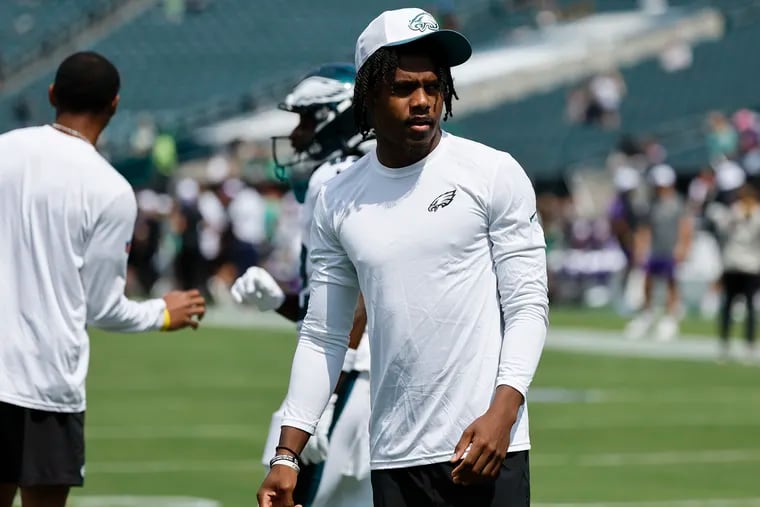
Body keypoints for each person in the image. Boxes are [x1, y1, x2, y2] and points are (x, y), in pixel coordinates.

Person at [256, 8, 548, 507]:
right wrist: (287, 453)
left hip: (488, 448)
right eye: (404, 87)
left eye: (434, 86)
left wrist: (503, 414)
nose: (423, 101)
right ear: (368, 94)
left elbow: (527, 306)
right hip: (392, 457)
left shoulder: (493, 172)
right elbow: (325, 333)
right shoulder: (338, 197)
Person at [0, 52, 206, 507]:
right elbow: (102, 307)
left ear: (51, 94)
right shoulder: (110, 189)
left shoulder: (4, 148)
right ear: (114, 106)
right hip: (46, 383)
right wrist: (164, 313)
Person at [231, 63, 374, 507]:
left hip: (352, 379)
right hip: (357, 375)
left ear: (340, 117)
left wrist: (322, 403)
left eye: (307, 120)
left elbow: (362, 298)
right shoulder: (356, 174)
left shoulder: (338, 180)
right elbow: (334, 303)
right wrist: (282, 301)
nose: (296, 135)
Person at [626, 164, 692, 341]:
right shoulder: (650, 203)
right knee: (648, 282)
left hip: (670, 248)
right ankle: (647, 314)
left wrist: (683, 247)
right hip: (654, 249)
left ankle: (670, 318)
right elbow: (644, 228)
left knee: (671, 283)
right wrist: (641, 247)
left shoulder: (678, 203)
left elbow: (685, 227)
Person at [707, 184, 760, 364]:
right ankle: (725, 343)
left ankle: (749, 345)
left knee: (750, 307)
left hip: (752, 266)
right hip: (732, 264)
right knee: (728, 305)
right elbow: (721, 229)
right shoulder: (733, 212)